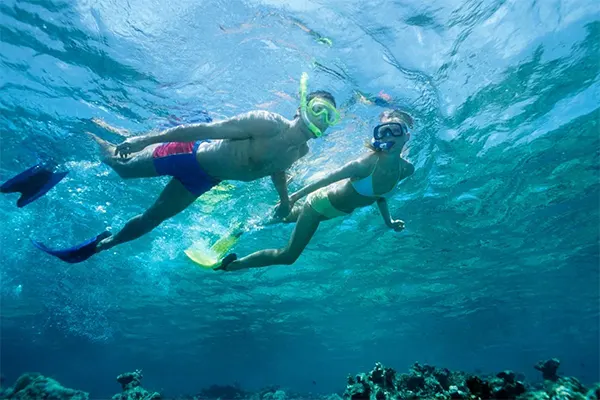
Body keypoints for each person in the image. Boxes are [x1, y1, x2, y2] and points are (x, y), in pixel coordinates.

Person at [32, 74, 340, 263]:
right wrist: (145, 139)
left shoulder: (300, 150)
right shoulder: (267, 123)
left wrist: (285, 201)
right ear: (301, 107)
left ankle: (101, 246)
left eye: (330, 117)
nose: (321, 120)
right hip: (188, 154)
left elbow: (277, 171)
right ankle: (90, 132)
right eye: (318, 110)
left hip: (205, 179)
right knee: (120, 168)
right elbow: (202, 129)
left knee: (153, 219)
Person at [216, 109, 415, 271]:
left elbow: (379, 196)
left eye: (395, 130)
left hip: (332, 212)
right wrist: (292, 198)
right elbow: (327, 179)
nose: (388, 135)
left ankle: (241, 228)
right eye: (383, 131)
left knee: (280, 219)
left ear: (407, 135)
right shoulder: (365, 164)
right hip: (318, 205)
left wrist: (389, 222)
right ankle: (233, 266)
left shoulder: (406, 170)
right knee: (288, 256)